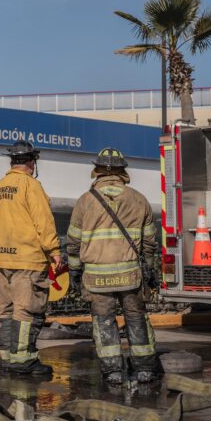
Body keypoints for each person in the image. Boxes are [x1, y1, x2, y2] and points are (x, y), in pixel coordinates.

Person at [66, 148, 159, 385]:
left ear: (96, 170)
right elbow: (149, 243)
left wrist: (75, 270)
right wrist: (149, 269)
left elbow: (73, 242)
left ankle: (113, 371)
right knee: (136, 319)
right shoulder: (139, 199)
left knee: (104, 321)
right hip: (131, 276)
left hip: (97, 279)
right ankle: (144, 368)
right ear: (123, 171)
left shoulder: (85, 201)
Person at [0, 140, 62, 377]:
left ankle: (8, 358)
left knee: (6, 310)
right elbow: (44, 223)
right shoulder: (32, 186)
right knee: (26, 310)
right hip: (27, 260)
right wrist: (54, 252)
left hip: (2, 260)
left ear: (12, 161)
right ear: (32, 161)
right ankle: (22, 360)